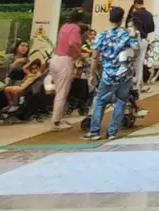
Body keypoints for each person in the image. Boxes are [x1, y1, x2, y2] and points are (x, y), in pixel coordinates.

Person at [87, 8, 138, 140]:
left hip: (107, 74)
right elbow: (136, 49)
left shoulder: (102, 35)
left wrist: (92, 74)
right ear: (122, 19)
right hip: (124, 73)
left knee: (100, 101)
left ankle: (94, 131)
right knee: (121, 101)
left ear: (109, 18)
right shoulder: (126, 34)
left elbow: (94, 56)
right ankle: (112, 132)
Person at [49, 18, 85, 128]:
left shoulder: (64, 26)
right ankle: (56, 122)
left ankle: (60, 118)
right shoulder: (75, 28)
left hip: (55, 59)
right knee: (62, 93)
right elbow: (72, 43)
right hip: (64, 60)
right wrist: (80, 54)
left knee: (59, 91)